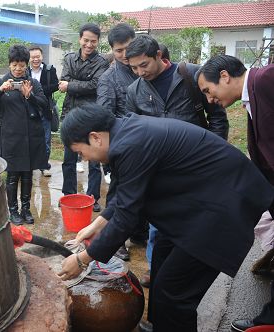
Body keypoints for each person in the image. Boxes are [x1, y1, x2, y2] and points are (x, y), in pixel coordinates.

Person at [58, 104, 274, 332]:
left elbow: (127, 216)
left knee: (175, 293)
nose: (85, 159)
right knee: (161, 265)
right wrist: (97, 223)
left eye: (81, 152)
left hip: (223, 209)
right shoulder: (127, 133)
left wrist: (84, 258)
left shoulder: (131, 144)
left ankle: (171, 324)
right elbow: (125, 194)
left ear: (95, 138)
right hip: (201, 202)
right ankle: (162, 325)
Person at [124, 34, 230, 290]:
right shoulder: (134, 91)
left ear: (159, 56)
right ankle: (156, 268)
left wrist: (213, 157)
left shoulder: (192, 76)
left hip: (197, 165)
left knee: (195, 221)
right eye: (134, 67)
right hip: (161, 170)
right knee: (159, 224)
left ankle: (185, 272)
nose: (139, 72)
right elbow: (133, 131)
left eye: (144, 65)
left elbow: (217, 116)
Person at [197, 55, 274, 332]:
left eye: (208, 90)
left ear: (225, 76)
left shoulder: (266, 79)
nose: (209, 99)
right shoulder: (251, 96)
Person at [0, 45, 47, 225]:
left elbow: (44, 104)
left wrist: (30, 96)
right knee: (13, 176)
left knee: (28, 174)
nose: (18, 69)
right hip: (10, 137)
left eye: (21, 65)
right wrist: (0, 91)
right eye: (14, 65)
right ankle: (13, 210)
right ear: (9, 64)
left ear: (26, 65)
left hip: (31, 136)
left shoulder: (32, 83)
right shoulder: (2, 82)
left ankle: (26, 209)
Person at [96, 23, 138, 262]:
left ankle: (139, 232)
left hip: (148, 143)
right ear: (112, 50)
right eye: (119, 50)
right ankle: (115, 241)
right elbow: (104, 117)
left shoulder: (144, 68)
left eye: (128, 48)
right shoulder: (108, 79)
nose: (124, 55)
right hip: (123, 144)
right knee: (118, 195)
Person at [59, 23, 109, 212]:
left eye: (93, 41)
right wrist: (78, 84)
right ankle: (68, 194)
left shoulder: (101, 62)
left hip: (91, 118)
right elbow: (63, 80)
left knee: (94, 161)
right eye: (86, 40)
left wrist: (71, 85)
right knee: (68, 159)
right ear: (80, 39)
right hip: (70, 115)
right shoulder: (70, 58)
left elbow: (96, 85)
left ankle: (93, 197)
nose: (89, 44)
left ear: (97, 42)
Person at [28, 46, 59, 177]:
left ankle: (44, 165)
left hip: (45, 109)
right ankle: (29, 165)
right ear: (29, 58)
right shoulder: (24, 71)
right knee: (29, 138)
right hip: (28, 109)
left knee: (45, 139)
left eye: (38, 56)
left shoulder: (49, 69)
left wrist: (37, 92)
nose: (35, 59)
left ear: (42, 56)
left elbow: (55, 85)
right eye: (33, 57)